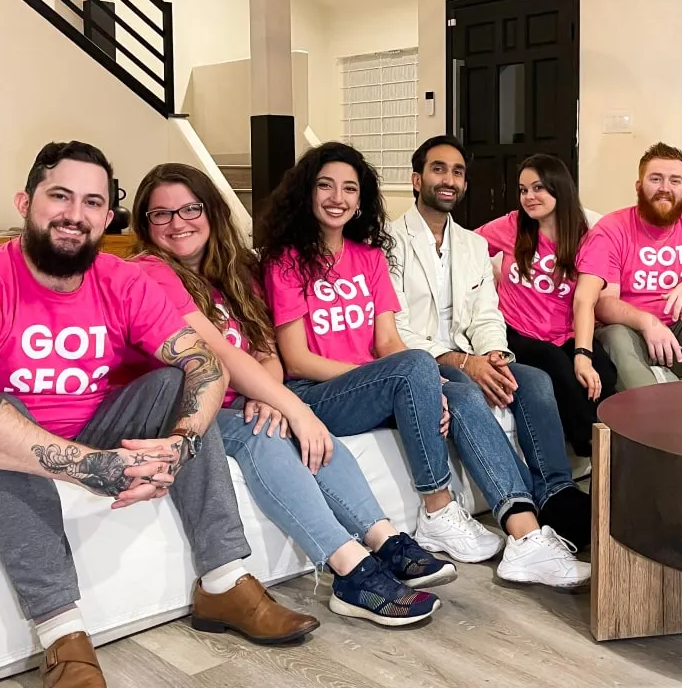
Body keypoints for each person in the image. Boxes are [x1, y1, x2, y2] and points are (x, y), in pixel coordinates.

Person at [0, 142, 317, 688]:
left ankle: (224, 583)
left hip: (97, 422)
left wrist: (180, 444)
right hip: (20, 434)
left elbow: (205, 366)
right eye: (59, 196)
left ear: (107, 218)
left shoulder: (120, 278)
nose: (74, 214)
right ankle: (63, 636)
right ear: (25, 202)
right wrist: (89, 468)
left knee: (175, 384)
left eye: (92, 202)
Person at [130, 163, 453, 627]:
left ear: (210, 211)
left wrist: (268, 391)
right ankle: (348, 569)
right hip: (186, 406)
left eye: (189, 208)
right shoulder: (151, 272)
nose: (178, 222)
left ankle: (383, 538)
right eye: (161, 215)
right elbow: (217, 353)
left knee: (296, 428)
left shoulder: (235, 268)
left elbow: (264, 348)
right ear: (144, 224)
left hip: (239, 396)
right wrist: (290, 405)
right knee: (267, 432)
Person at [264, 141, 589, 589]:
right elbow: (297, 359)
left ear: (361, 200)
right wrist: (413, 371)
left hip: (383, 380)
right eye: (325, 186)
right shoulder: (286, 262)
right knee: (423, 366)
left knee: (463, 391)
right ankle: (438, 507)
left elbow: (387, 340)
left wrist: (428, 381)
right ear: (306, 192)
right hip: (318, 390)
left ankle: (524, 533)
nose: (338, 197)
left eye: (349, 189)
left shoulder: (369, 257)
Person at [389, 135, 593, 576]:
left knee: (534, 378)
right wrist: (464, 364)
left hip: (471, 352)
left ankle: (556, 493)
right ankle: (522, 529)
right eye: (438, 169)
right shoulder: (388, 242)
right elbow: (394, 329)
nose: (448, 179)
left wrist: (495, 355)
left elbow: (486, 313)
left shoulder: (473, 245)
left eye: (457, 172)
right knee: (466, 392)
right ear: (416, 178)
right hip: (419, 359)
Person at [475, 154, 618, 458]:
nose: (529, 196)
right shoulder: (512, 225)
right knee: (555, 364)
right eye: (523, 189)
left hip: (564, 331)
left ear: (559, 188)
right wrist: (491, 277)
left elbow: (584, 300)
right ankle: (593, 448)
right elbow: (466, 247)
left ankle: (613, 443)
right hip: (515, 330)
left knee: (602, 370)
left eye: (538, 188)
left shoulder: (590, 239)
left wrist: (583, 355)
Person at [574, 142, 682, 390]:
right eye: (656, 179)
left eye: (675, 181)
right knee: (614, 335)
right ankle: (652, 419)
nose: (665, 188)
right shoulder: (612, 228)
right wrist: (647, 322)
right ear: (639, 185)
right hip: (632, 333)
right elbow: (602, 302)